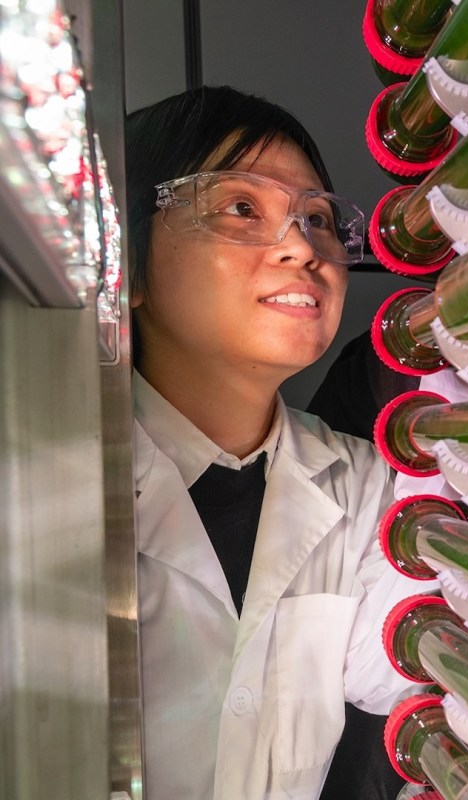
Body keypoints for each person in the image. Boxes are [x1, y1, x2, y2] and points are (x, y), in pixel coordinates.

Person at [126, 85, 422, 799]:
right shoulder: (45, 474)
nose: (301, 247)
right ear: (127, 266)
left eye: (316, 217)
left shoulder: (361, 485)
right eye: (240, 208)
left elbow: (404, 667)